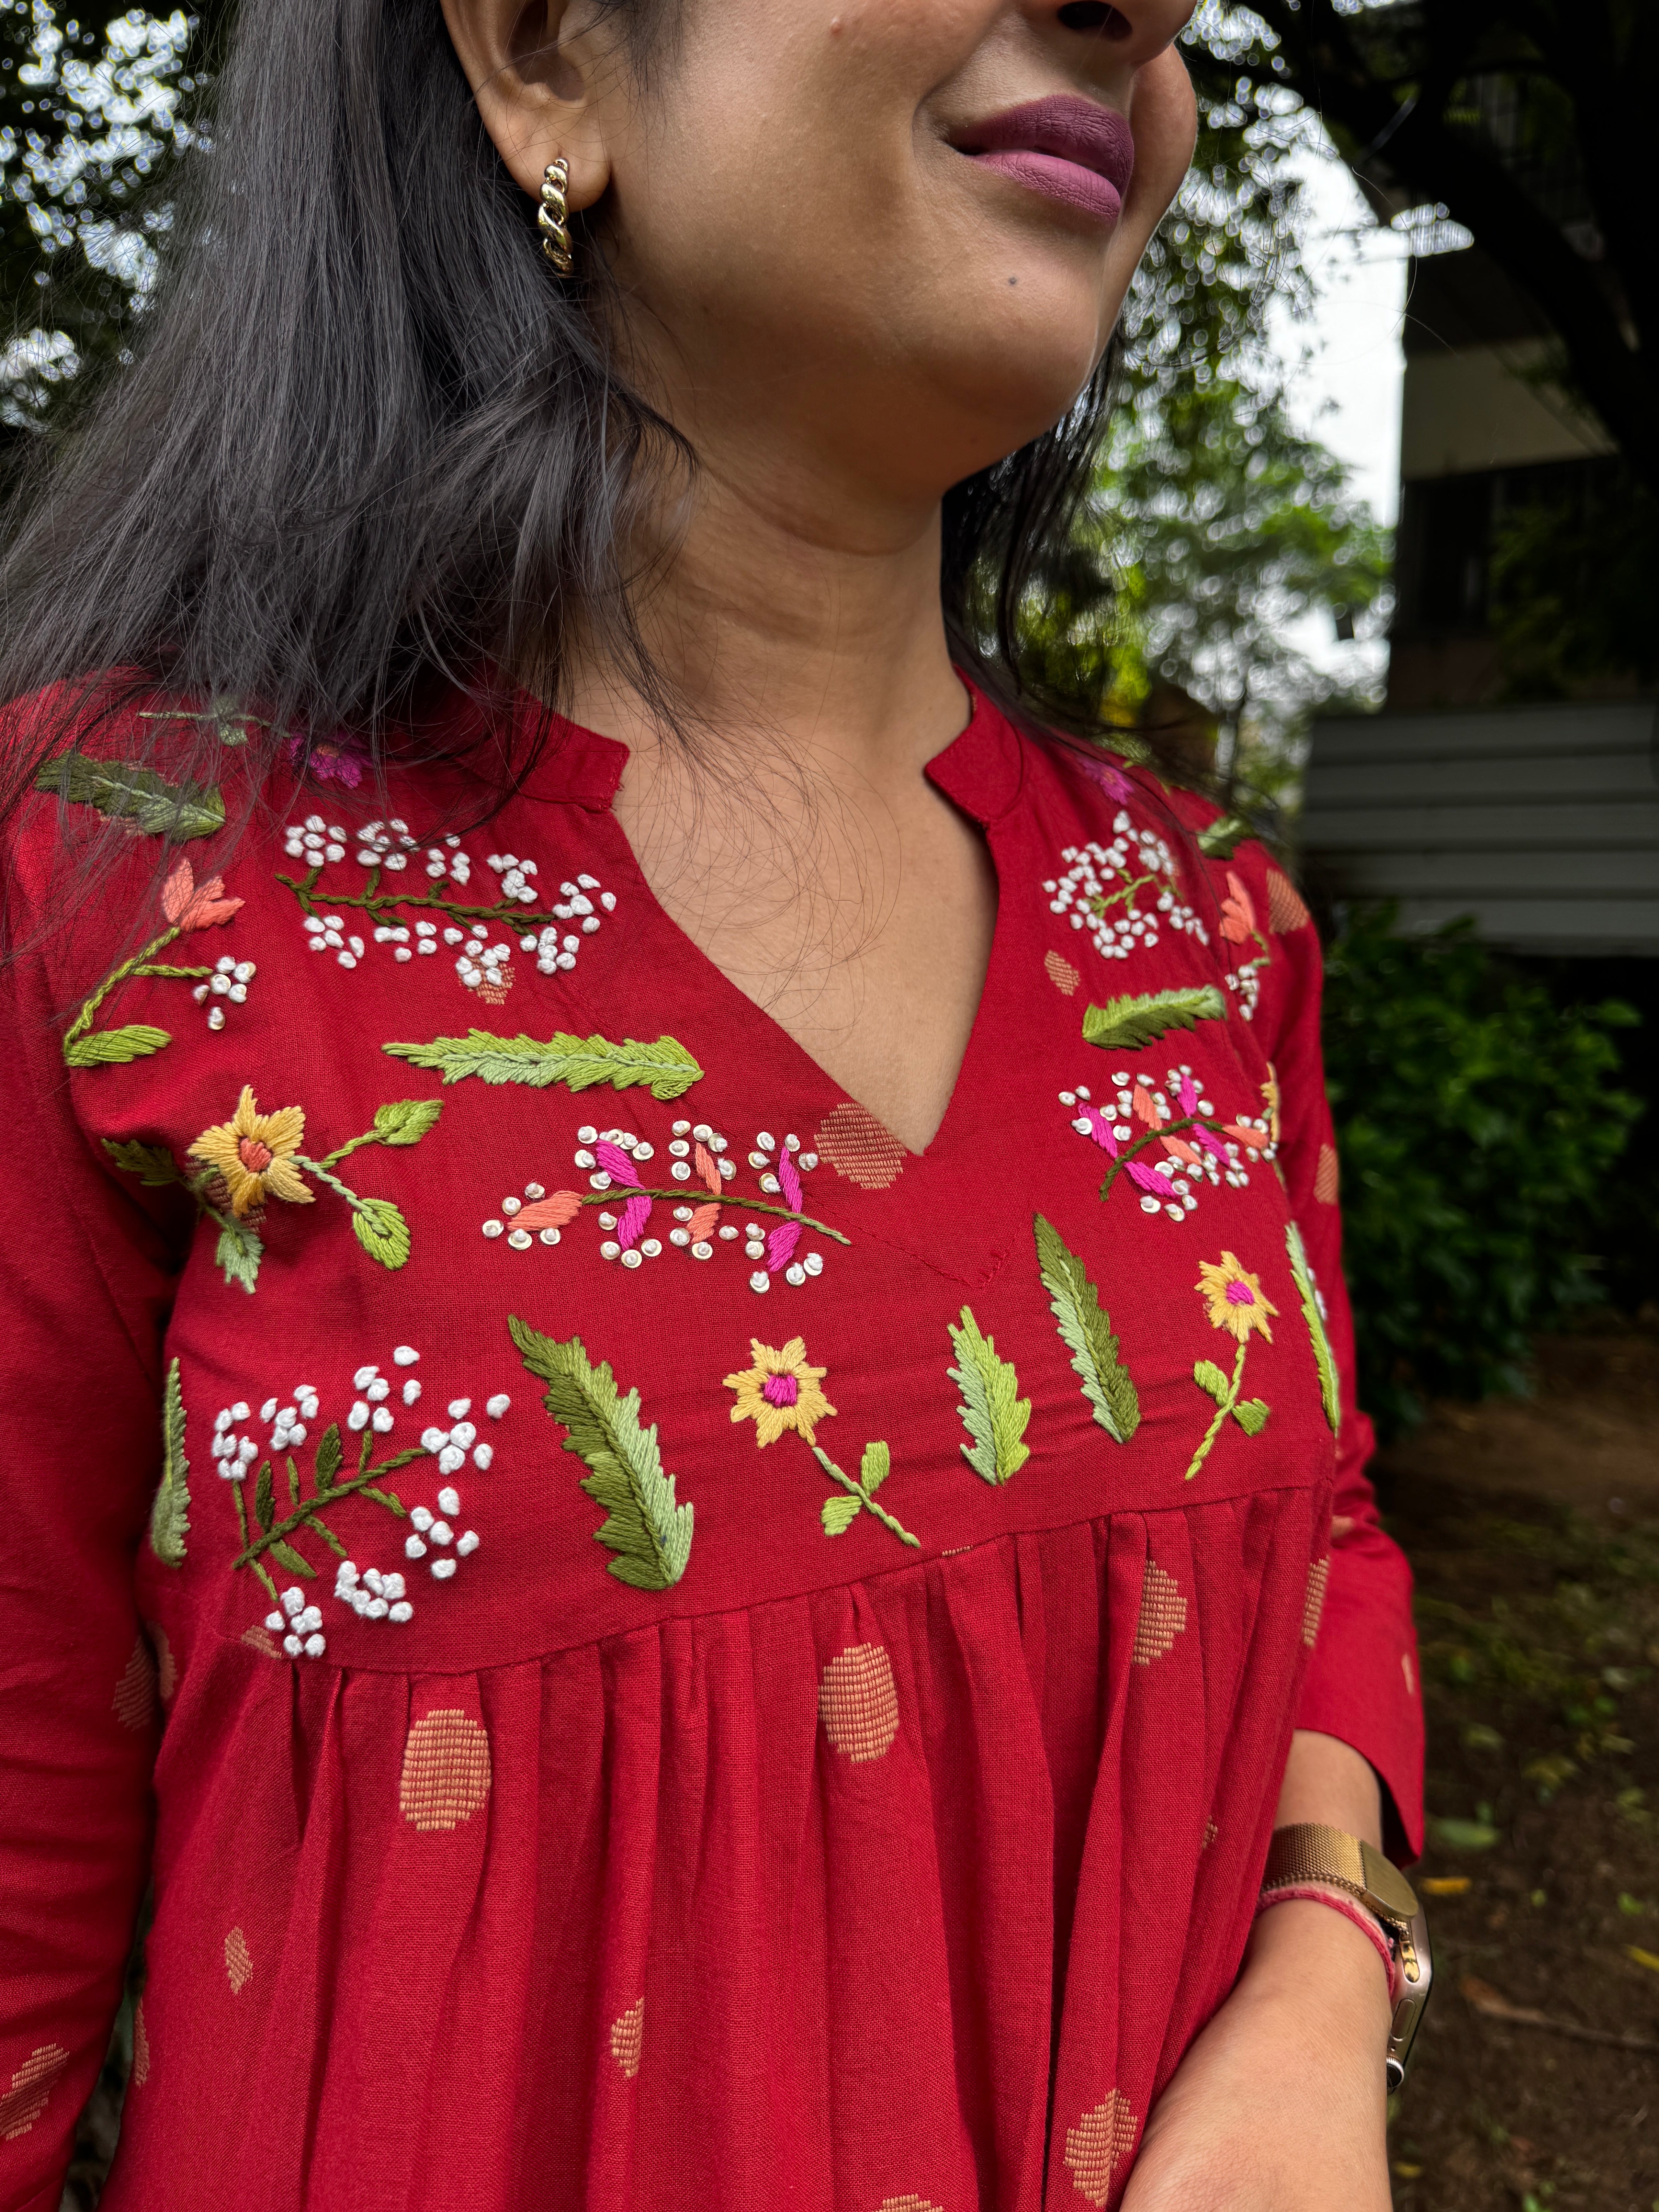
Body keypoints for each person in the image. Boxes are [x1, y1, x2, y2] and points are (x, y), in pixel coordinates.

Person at [0, 3, 1423, 2207]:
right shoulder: (123, 876)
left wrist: (1332, 1976)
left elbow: (1323, 1532)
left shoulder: (1210, 930)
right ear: (542, 52)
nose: (1139, 10)